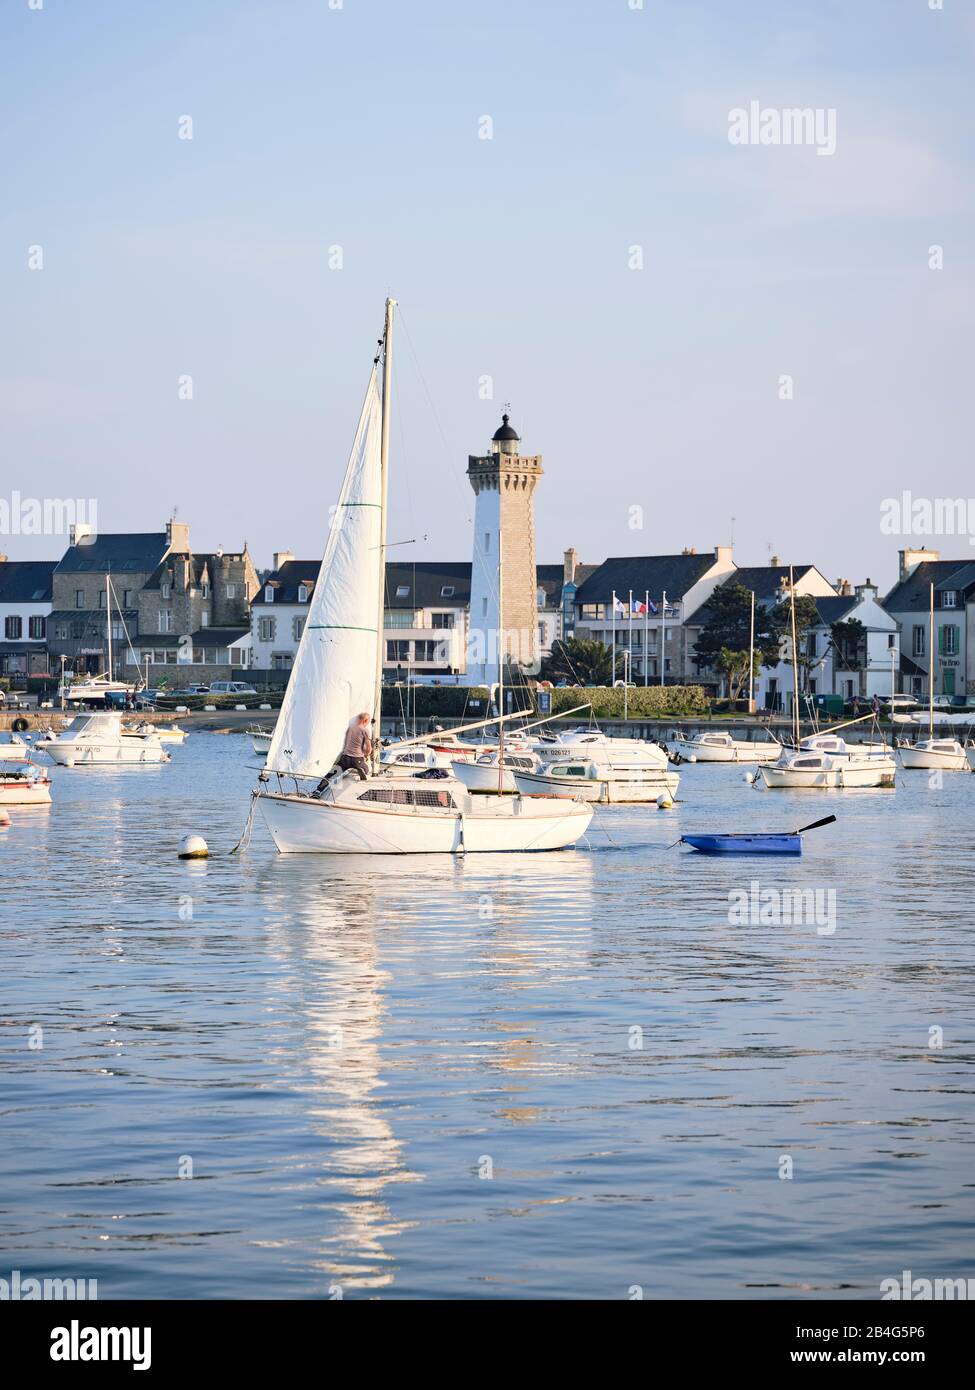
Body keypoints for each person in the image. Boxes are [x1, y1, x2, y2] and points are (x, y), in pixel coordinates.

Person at [338, 712, 372, 781]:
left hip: (345, 758)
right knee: (367, 770)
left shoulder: (350, 728)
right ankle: (359, 770)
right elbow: (369, 748)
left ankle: (319, 789)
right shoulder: (364, 730)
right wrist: (366, 755)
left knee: (333, 773)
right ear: (365, 720)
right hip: (357, 759)